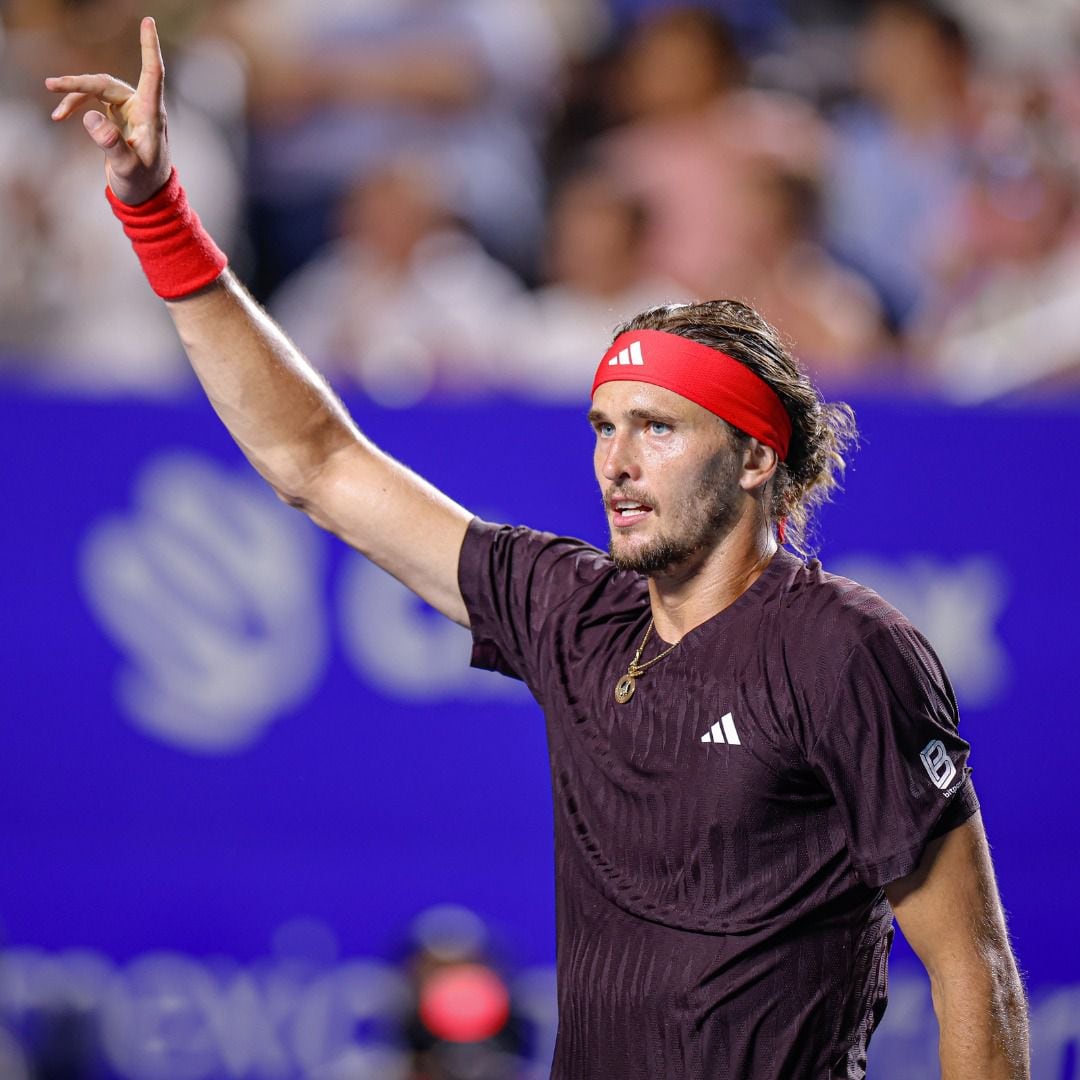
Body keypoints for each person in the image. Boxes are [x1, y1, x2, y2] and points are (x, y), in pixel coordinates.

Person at [45, 20, 1030, 1079]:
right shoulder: (572, 611)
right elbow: (316, 463)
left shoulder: (846, 652)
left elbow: (973, 969)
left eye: (658, 427)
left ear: (754, 459)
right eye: (604, 426)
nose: (616, 461)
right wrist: (158, 214)